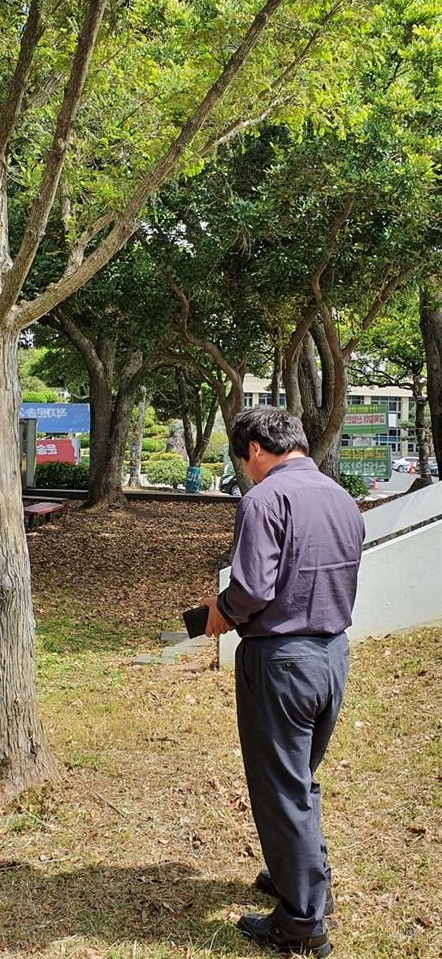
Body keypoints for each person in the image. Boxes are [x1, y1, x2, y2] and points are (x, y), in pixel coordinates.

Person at [204, 407, 365, 958]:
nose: (245, 471)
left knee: (280, 788)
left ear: (253, 449)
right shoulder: (342, 497)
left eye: (241, 460)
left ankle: (301, 922)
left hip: (280, 661)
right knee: (298, 779)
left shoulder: (264, 499)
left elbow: (250, 590)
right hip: (332, 654)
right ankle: (300, 878)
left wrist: (215, 612)